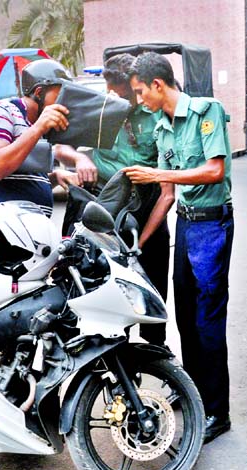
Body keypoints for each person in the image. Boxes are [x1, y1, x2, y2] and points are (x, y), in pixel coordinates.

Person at [123, 51, 233, 444]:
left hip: (212, 225)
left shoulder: (207, 112)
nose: (139, 100)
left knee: (208, 322)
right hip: (185, 225)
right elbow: (167, 195)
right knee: (185, 317)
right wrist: (139, 242)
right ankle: (195, 394)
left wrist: (156, 172)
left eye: (140, 92)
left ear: (158, 84)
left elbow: (213, 169)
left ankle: (218, 411)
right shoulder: (161, 128)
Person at [58, 53, 171, 346]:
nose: (113, 97)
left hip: (147, 213)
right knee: (109, 301)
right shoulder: (99, 108)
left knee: (152, 298)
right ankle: (118, 378)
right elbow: (60, 147)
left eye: (121, 93)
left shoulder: (156, 112)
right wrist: (79, 157)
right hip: (106, 215)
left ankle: (157, 370)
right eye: (109, 90)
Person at [0, 58, 86, 244]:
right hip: (4, 237)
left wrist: (55, 176)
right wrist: (38, 128)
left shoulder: (39, 124)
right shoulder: (1, 112)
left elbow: (23, 179)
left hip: (34, 238)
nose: (64, 102)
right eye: (59, 95)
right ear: (39, 92)